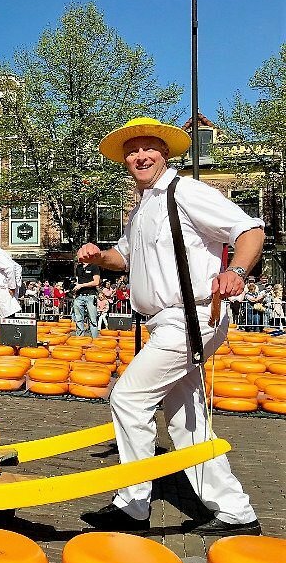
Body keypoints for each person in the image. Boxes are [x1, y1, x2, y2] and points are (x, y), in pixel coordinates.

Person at [77, 116, 263, 535]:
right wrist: (99, 257)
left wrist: (236, 271)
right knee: (185, 419)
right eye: (132, 151)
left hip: (191, 317)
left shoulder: (186, 192)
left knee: (128, 398)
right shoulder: (142, 207)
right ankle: (235, 512)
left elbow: (249, 229)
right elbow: (123, 257)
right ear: (125, 160)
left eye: (148, 148)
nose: (140, 156)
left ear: (164, 153)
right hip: (165, 323)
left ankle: (132, 505)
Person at [72, 259, 100, 337]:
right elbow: (78, 281)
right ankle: (80, 339)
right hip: (79, 296)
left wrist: (81, 285)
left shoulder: (94, 266)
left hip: (90, 295)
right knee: (78, 319)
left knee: (93, 320)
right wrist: (75, 287)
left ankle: (94, 339)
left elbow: (96, 282)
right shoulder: (78, 267)